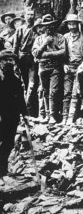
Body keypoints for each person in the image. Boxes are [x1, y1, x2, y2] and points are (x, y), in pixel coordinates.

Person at [0, 50, 27, 186]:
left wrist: (24, 113)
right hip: (1, 116)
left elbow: (20, 97)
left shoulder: (16, 78)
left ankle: (3, 171)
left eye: (11, 60)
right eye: (5, 59)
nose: (8, 62)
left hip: (12, 116)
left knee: (8, 143)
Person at [32, 14, 66, 123]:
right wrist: (45, 43)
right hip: (42, 67)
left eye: (51, 25)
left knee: (54, 91)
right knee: (45, 91)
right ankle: (47, 115)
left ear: (54, 26)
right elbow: (36, 54)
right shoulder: (39, 39)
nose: (48, 28)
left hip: (55, 67)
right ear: (42, 27)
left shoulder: (60, 37)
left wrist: (46, 54)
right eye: (46, 26)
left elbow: (63, 52)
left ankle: (53, 115)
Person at [62, 14, 83, 124]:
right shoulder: (65, 37)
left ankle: (71, 117)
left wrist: (82, 65)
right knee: (66, 92)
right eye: (70, 24)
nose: (72, 26)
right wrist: (64, 64)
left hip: (81, 68)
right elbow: (62, 53)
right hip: (68, 67)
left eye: (74, 23)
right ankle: (64, 117)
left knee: (76, 92)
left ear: (78, 24)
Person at [13, 8, 39, 117]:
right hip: (22, 60)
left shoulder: (37, 29)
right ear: (25, 16)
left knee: (32, 86)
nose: (30, 16)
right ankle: (26, 112)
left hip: (32, 60)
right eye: (28, 14)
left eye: (32, 14)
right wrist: (15, 63)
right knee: (25, 85)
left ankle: (30, 111)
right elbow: (15, 46)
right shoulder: (20, 29)